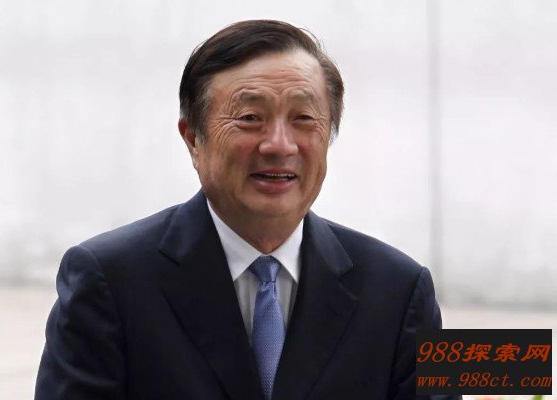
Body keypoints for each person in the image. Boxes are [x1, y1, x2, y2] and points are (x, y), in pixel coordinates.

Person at [35, 19, 458, 400]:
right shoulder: (108, 281)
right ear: (193, 139)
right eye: (251, 117)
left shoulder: (401, 290)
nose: (279, 145)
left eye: (304, 118)